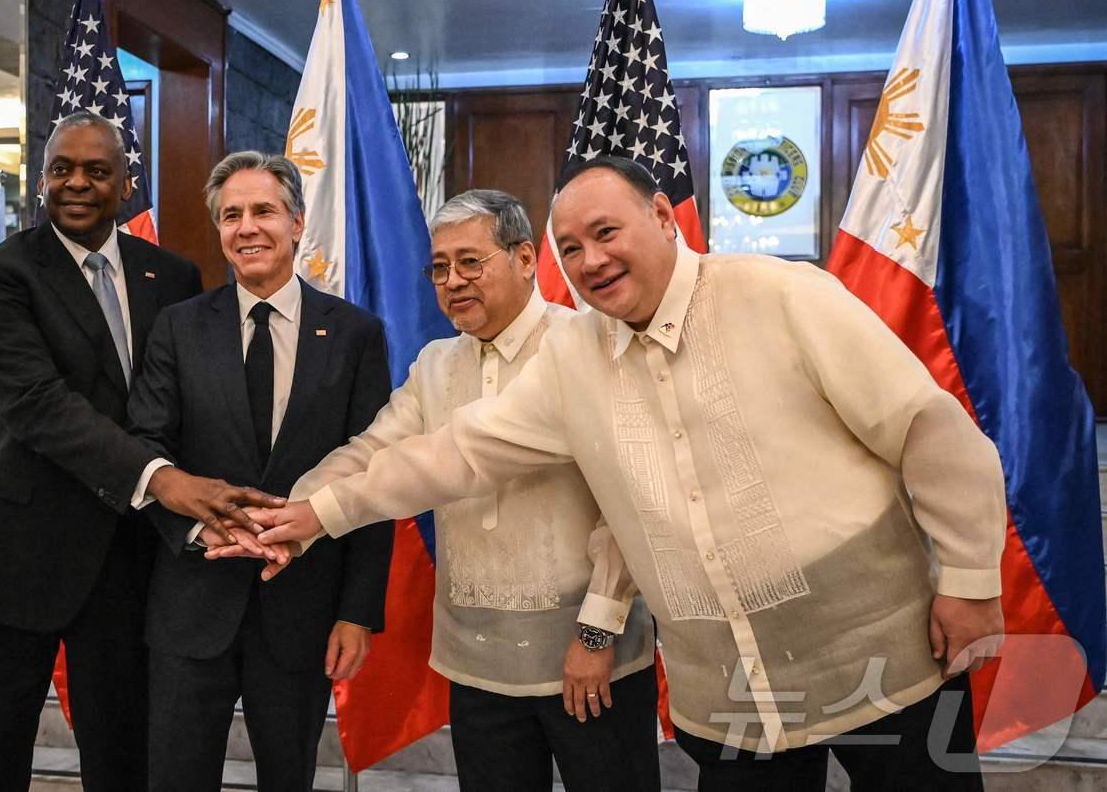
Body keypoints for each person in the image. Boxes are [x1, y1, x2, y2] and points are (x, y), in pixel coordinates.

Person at [247, 155, 1008, 790]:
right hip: (730, 689)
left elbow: (930, 431)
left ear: (664, 218)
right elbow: (460, 450)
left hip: (880, 651)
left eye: (606, 232)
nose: (590, 260)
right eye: (571, 249)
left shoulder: (780, 293)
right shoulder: (574, 358)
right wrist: (322, 511)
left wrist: (971, 577)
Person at [213, 188, 660, 791]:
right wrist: (287, 515)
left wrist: (597, 632)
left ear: (526, 258)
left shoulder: (587, 347)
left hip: (586, 658)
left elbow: (626, 504)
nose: (452, 281)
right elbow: (373, 451)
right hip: (475, 663)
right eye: (440, 268)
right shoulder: (436, 364)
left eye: (471, 262)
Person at [0, 113, 280, 791]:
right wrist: (163, 480)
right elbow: (38, 403)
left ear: (126, 184)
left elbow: (193, 405)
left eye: (97, 171)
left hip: (128, 565)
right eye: (62, 168)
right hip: (15, 557)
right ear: (41, 182)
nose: (78, 183)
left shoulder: (175, 276)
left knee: (125, 762)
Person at [125, 151, 395, 792]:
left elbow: (376, 475)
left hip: (302, 609)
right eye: (231, 215)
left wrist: (358, 611)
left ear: (297, 223)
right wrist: (198, 531)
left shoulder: (356, 333)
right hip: (192, 604)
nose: (247, 228)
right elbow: (146, 446)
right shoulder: (178, 327)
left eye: (263, 211)